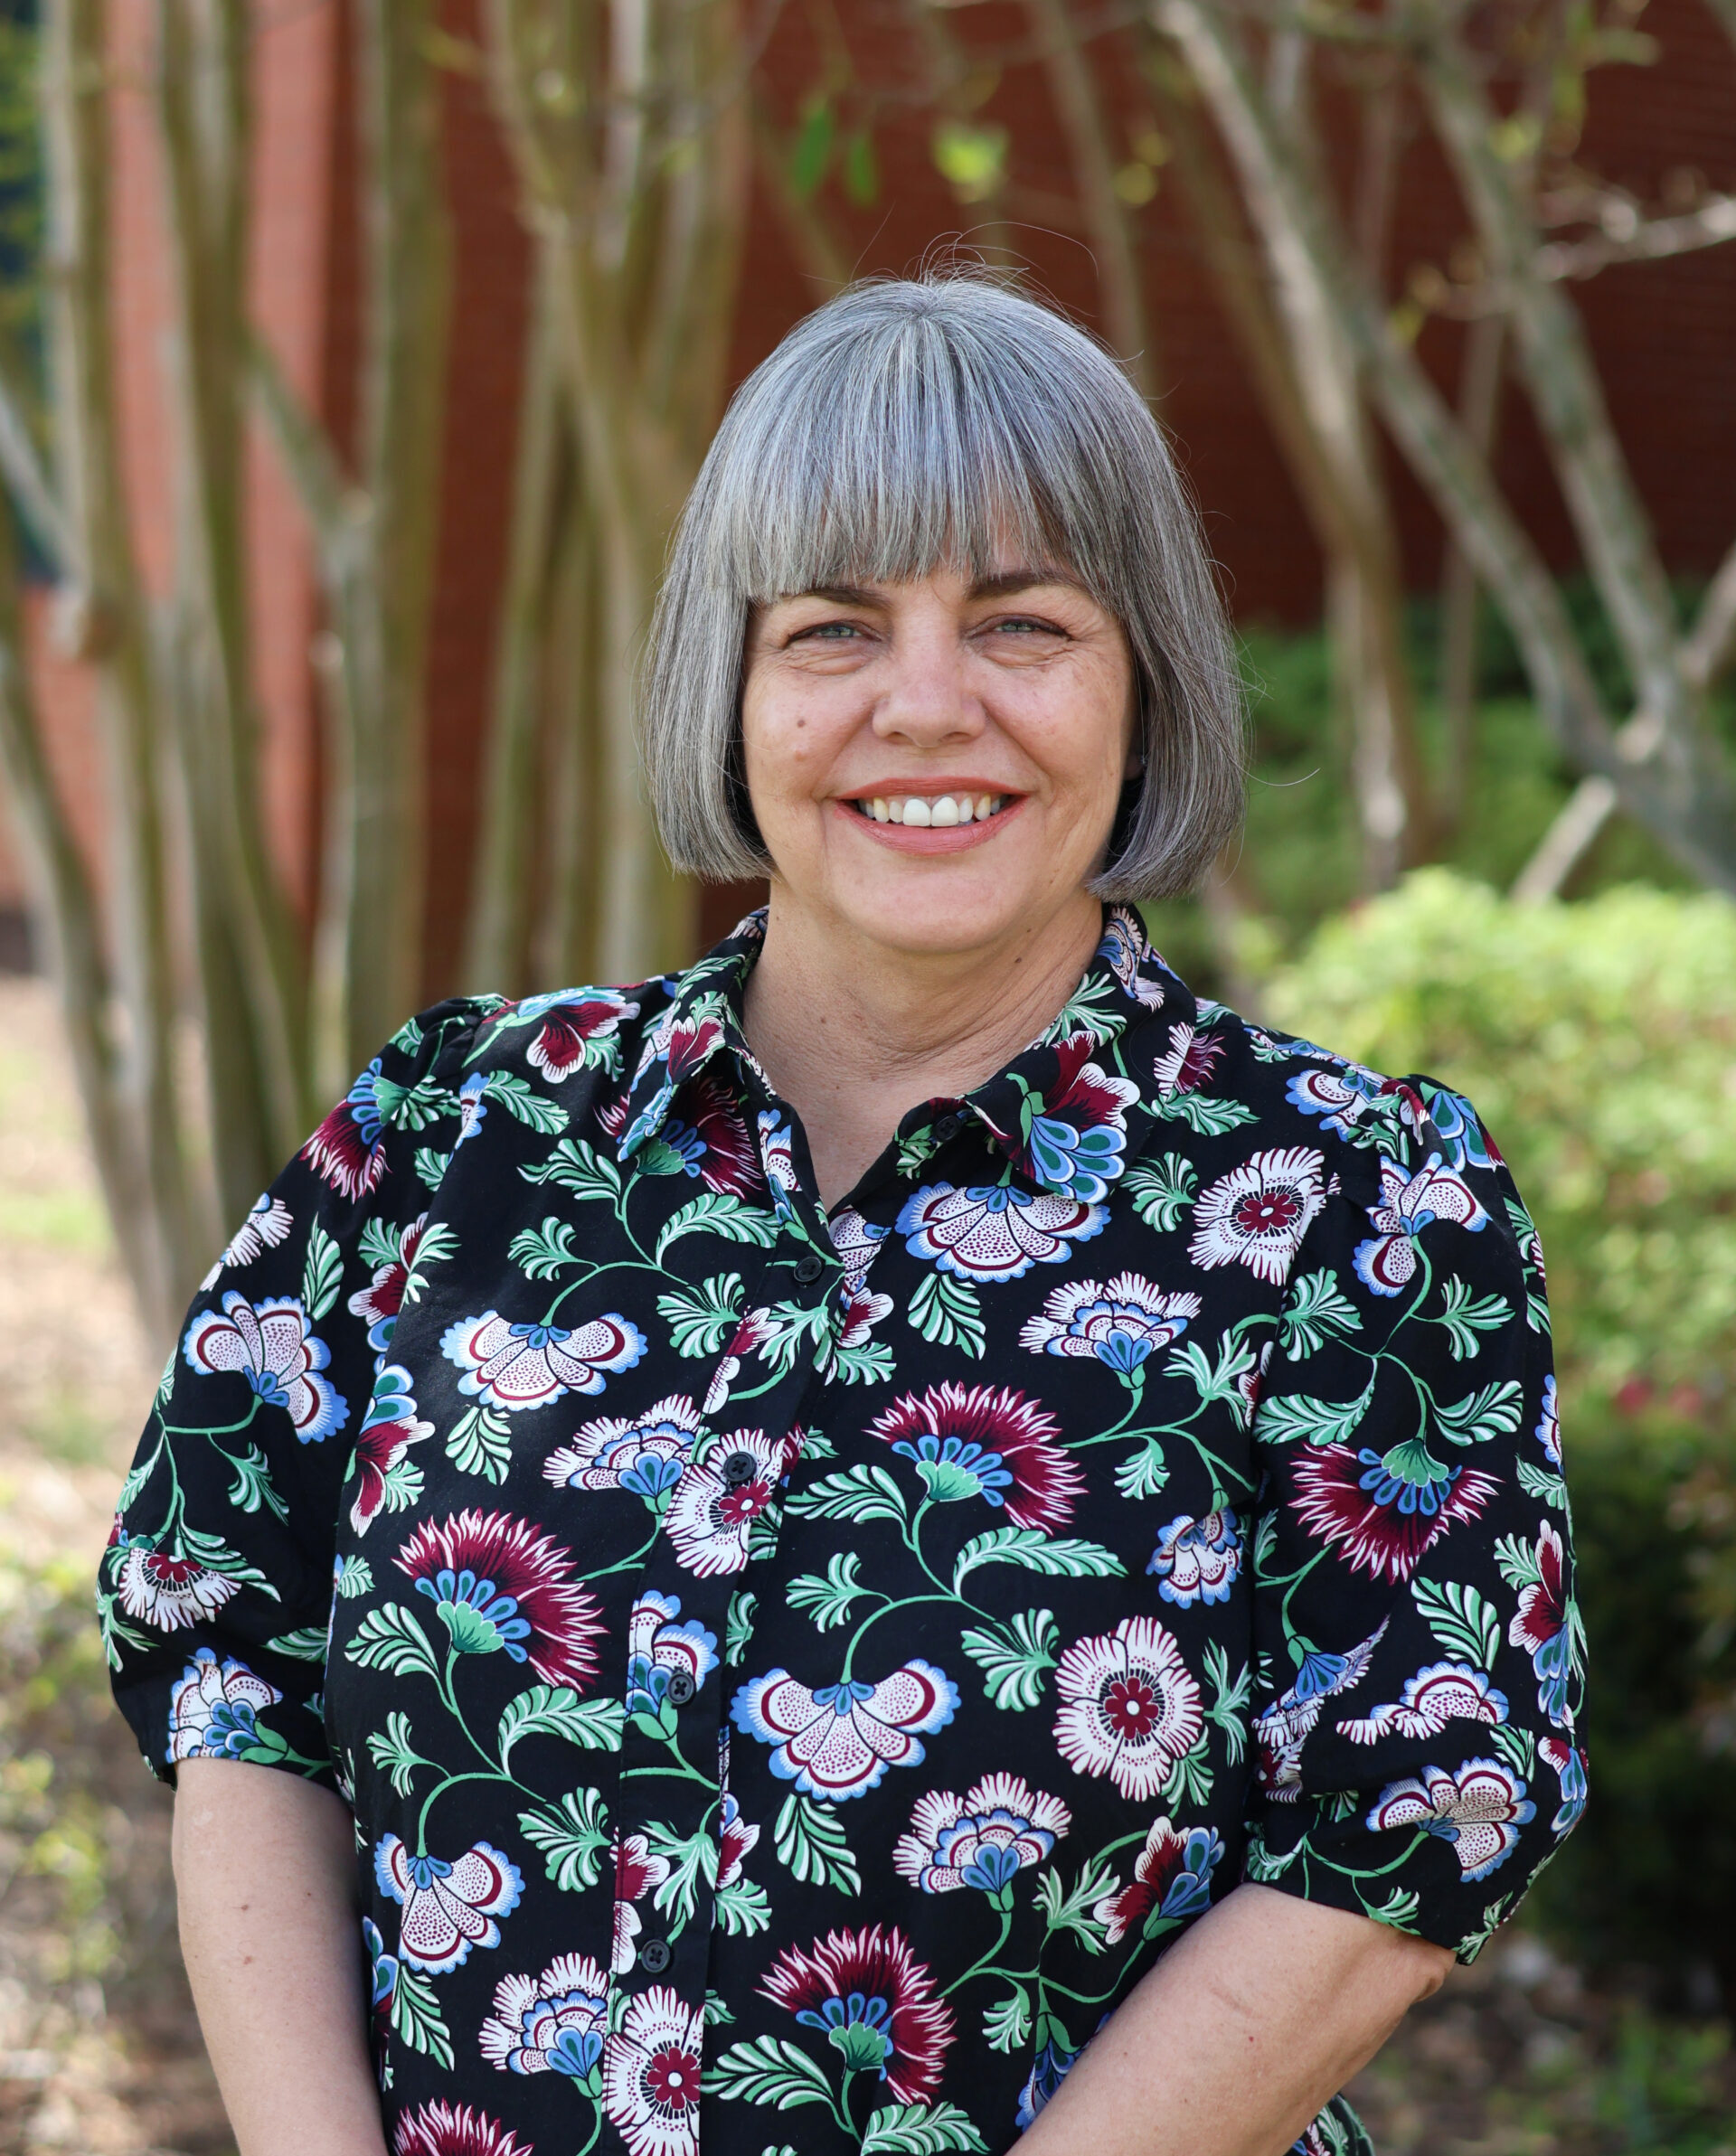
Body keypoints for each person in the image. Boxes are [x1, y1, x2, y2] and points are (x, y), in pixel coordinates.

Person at [103, 274, 1584, 2156]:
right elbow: (235, 1663)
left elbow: (1415, 1808)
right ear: (734, 692)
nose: (924, 705)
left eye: (1021, 620)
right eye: (834, 629)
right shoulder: (458, 1129)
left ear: (1145, 682)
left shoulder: (1357, 1210)